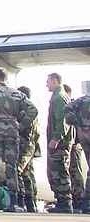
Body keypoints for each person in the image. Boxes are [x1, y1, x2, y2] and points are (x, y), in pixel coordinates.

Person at [0, 68, 38, 212]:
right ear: (6, 79)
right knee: (11, 167)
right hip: (12, 132)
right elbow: (33, 109)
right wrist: (21, 125)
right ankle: (13, 203)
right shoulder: (17, 94)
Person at [45, 72, 73, 213]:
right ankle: (62, 201)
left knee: (60, 170)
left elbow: (62, 121)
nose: (47, 84)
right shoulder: (59, 96)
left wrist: (56, 138)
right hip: (61, 142)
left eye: (48, 81)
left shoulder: (59, 98)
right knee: (56, 171)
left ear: (55, 81)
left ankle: (65, 203)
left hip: (60, 143)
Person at [65, 81, 90, 214]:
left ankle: (86, 201)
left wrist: (77, 125)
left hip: (83, 135)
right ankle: (87, 201)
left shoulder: (81, 100)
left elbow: (67, 109)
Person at [16, 86, 41, 213]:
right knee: (28, 174)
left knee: (18, 170)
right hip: (31, 145)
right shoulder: (30, 112)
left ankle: (22, 201)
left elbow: (24, 129)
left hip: (25, 144)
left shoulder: (27, 112)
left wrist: (19, 126)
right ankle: (31, 203)